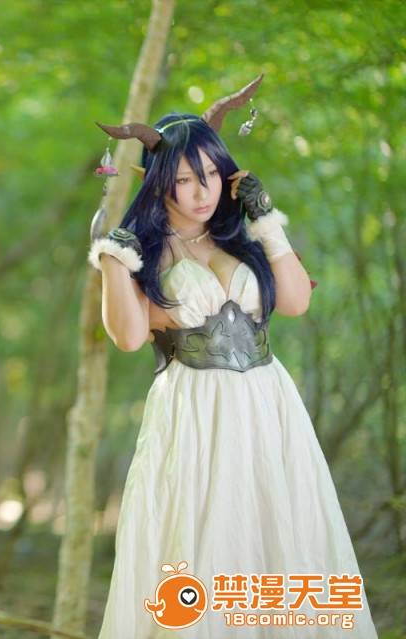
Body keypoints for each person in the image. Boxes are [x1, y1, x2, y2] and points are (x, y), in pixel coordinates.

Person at [87, 76, 379, 638]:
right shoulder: (145, 251)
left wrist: (264, 217)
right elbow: (126, 336)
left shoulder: (239, 239)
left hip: (268, 403)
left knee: (279, 529)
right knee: (200, 538)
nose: (202, 191)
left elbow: (294, 301)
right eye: (185, 179)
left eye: (211, 174)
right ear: (158, 181)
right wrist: (111, 261)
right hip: (194, 408)